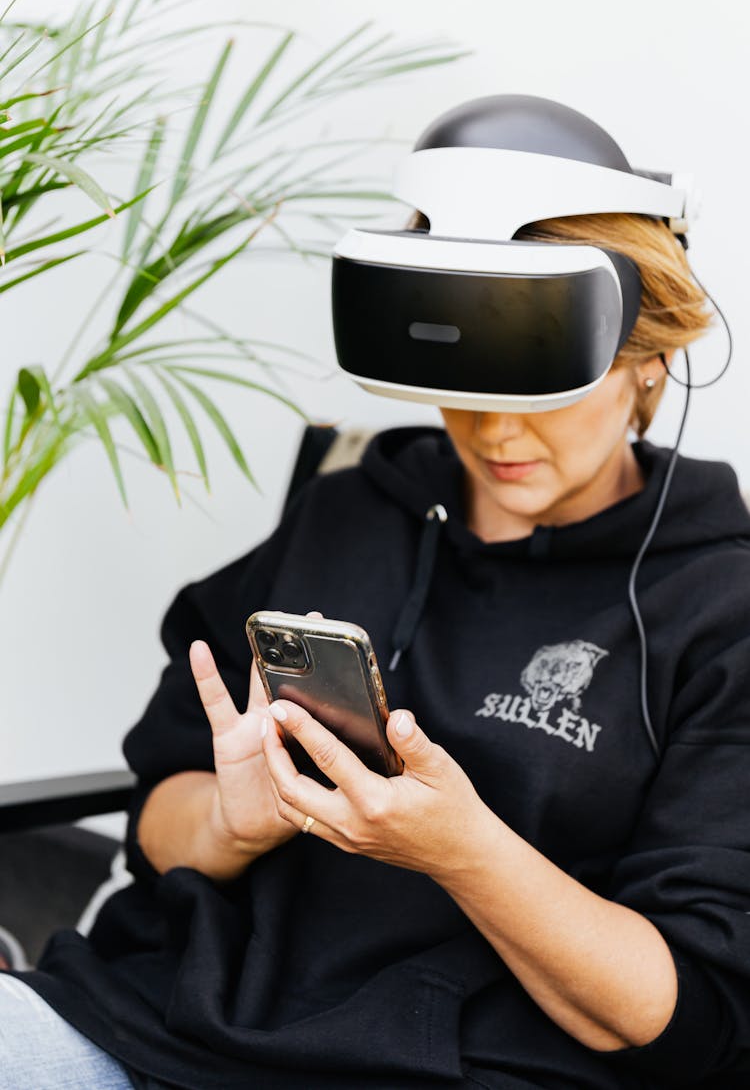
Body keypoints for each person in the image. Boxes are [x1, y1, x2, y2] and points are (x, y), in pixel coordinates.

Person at [3, 96, 750, 1090]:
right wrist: (236, 821)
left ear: (649, 360)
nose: (493, 431)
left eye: (538, 381)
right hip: (156, 1022)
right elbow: (160, 817)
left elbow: (677, 1015)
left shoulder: (719, 605)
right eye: (465, 380)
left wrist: (462, 851)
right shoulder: (354, 512)